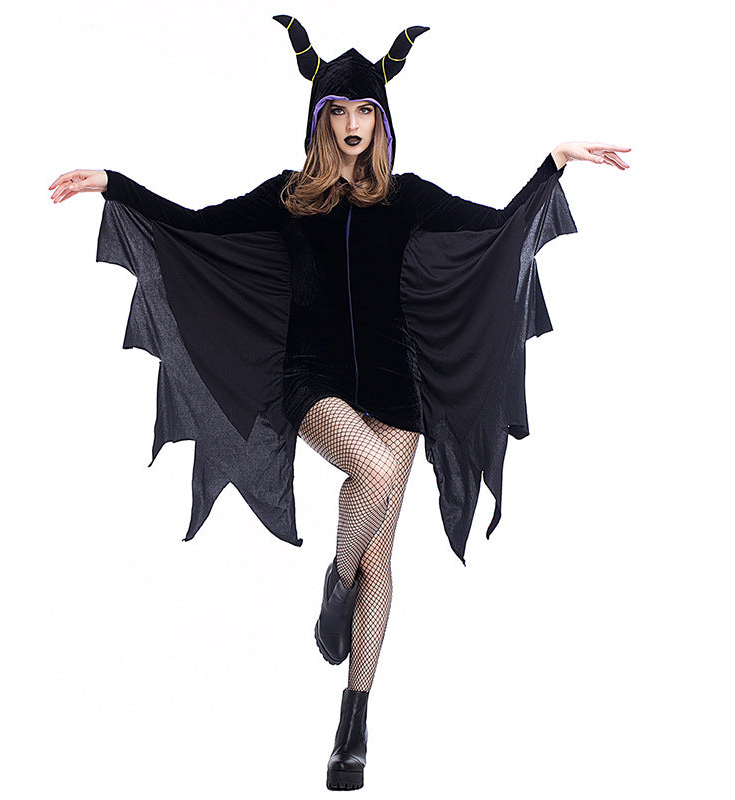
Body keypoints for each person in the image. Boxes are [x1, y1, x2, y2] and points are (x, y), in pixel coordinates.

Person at [48, 16, 629, 792]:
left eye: (365, 111)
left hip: (397, 382)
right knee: (374, 473)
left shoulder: (408, 197)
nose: (353, 124)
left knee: (383, 555)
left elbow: (498, 230)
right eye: (340, 111)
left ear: (381, 120)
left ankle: (352, 725)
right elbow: (191, 226)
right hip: (312, 378)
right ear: (320, 119)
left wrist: (553, 164)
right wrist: (114, 184)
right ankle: (336, 573)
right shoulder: (287, 198)